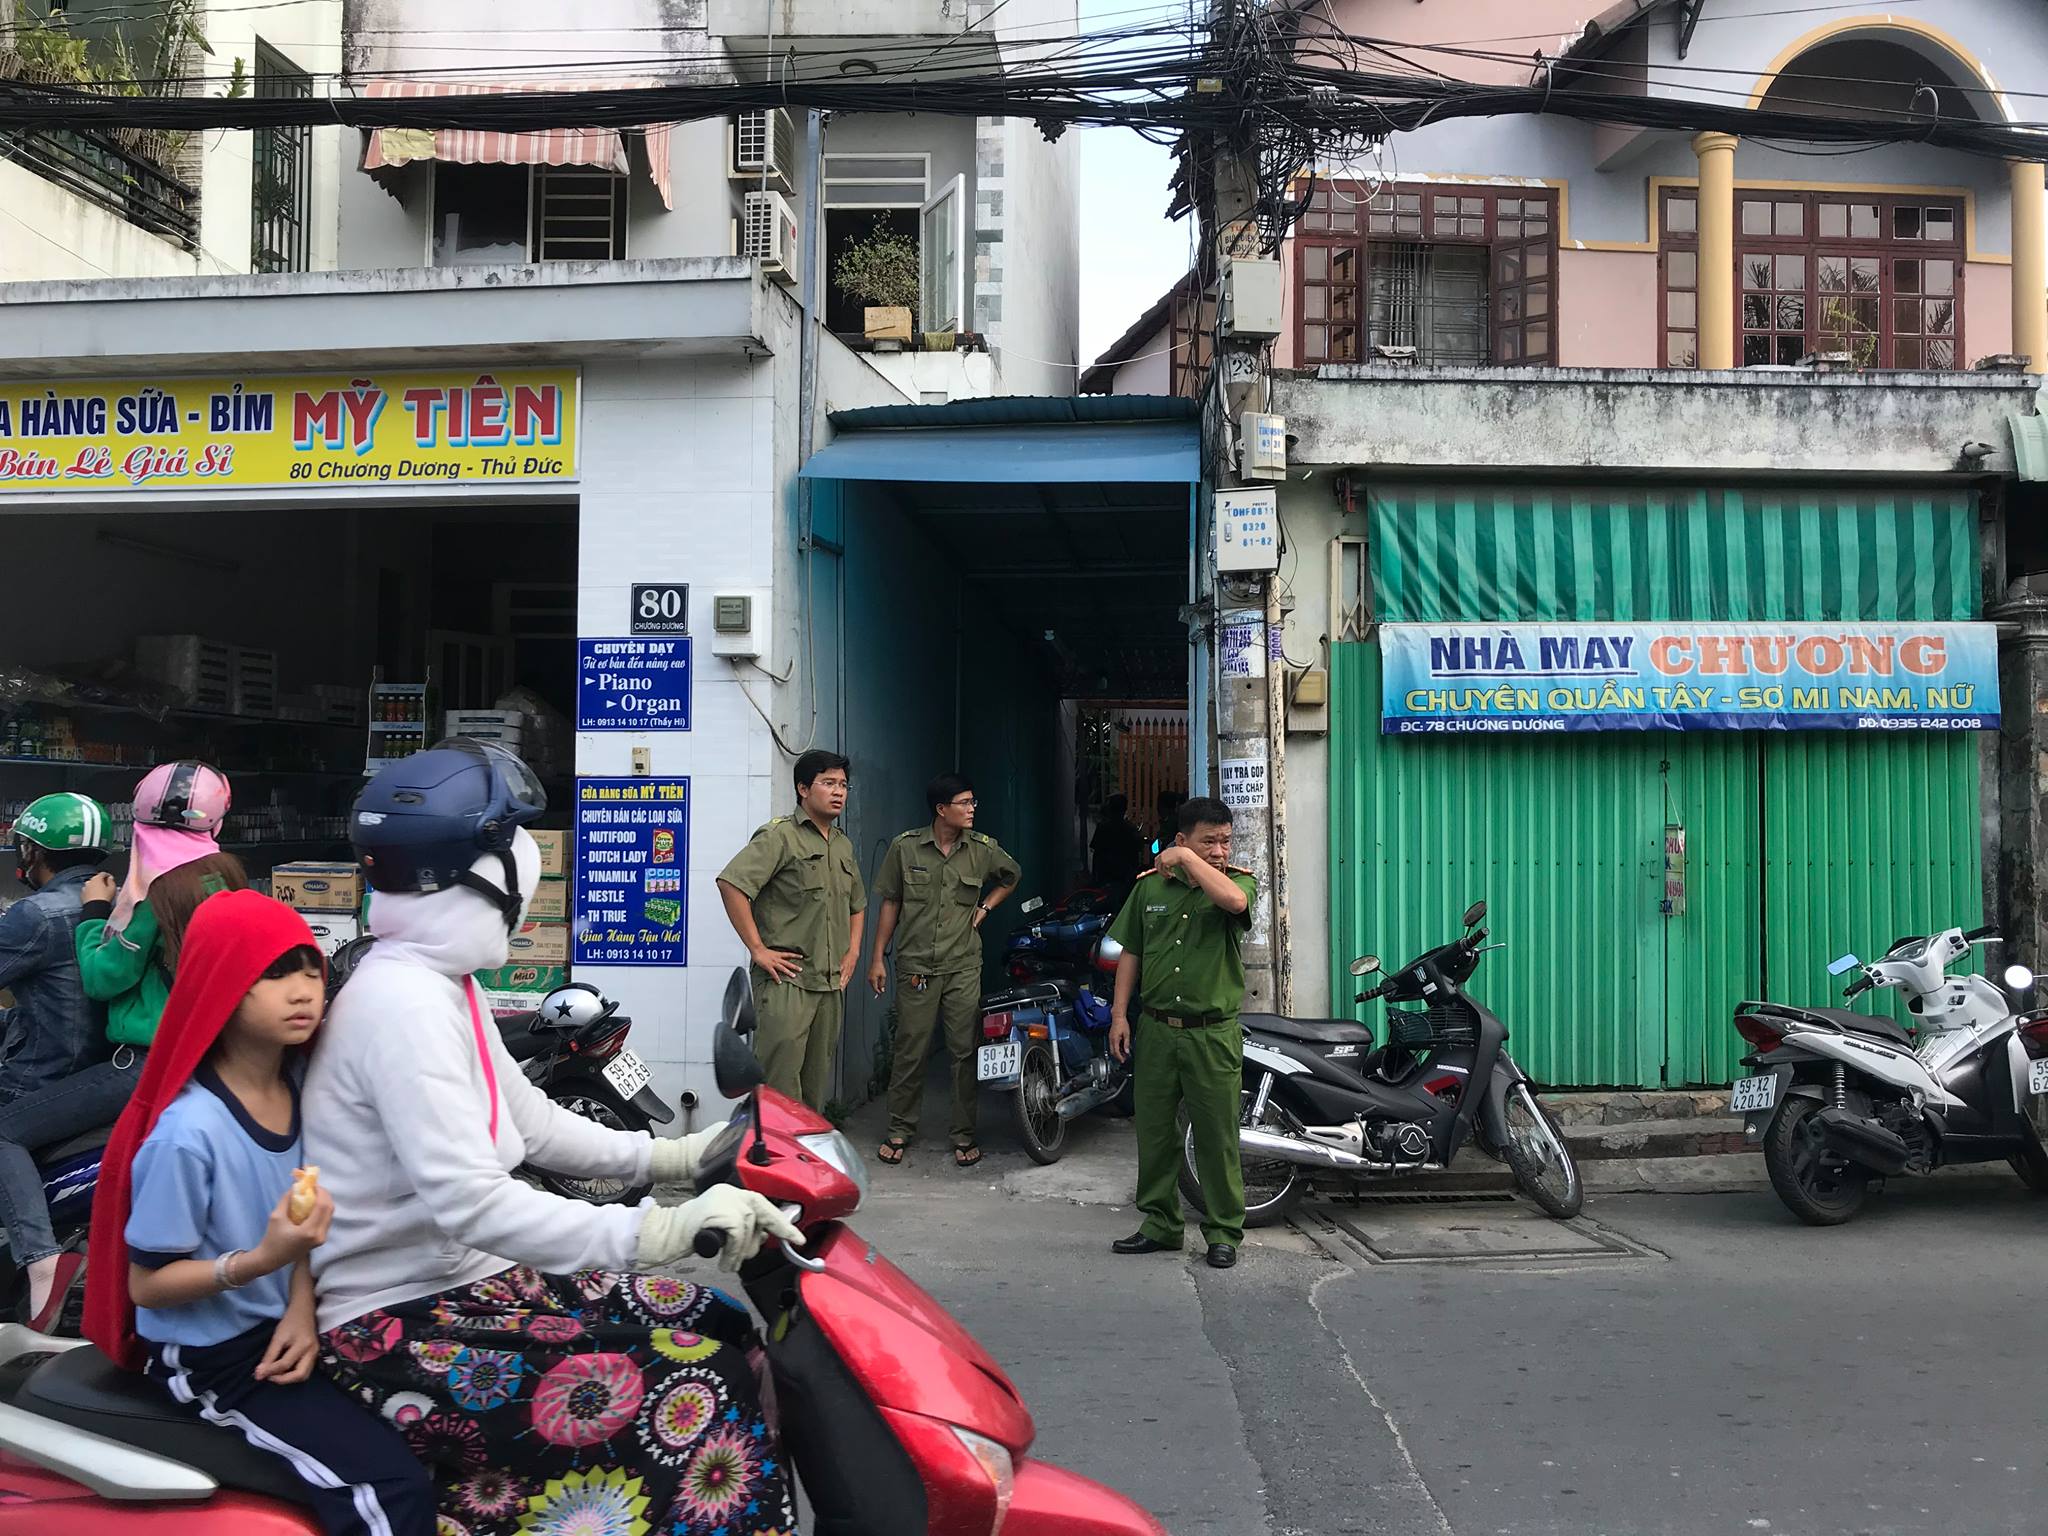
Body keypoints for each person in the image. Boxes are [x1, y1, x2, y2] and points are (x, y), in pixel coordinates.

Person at [306, 739, 801, 1535]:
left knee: (724, 1325)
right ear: (483, 874)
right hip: (401, 1324)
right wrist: (662, 1227)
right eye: (515, 849)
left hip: (475, 1287)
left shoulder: (443, 984)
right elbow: (474, 1202)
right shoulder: (398, 1006)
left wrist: (676, 1157)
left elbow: (532, 1124)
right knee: (697, 1387)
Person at [82, 890, 435, 1536]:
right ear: (220, 986)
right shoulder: (188, 1134)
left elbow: (299, 1222)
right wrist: (258, 1263)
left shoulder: (305, 1086)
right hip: (218, 1360)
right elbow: (148, 1285)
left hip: (291, 1323)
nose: (302, 989)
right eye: (274, 974)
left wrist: (297, 1299)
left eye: (309, 968)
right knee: (390, 1487)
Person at [0, 764, 247, 1332]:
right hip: (199, 1055)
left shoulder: (148, 892)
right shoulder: (223, 876)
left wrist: (94, 915)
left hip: (135, 1063)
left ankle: (41, 1264)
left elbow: (106, 979)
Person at [1105, 796, 1257, 1270]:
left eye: (1225, 840)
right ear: (1180, 838)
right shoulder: (1150, 891)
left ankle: (1223, 1231)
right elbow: (1131, 951)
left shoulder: (1237, 883)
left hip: (1211, 1035)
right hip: (1156, 1029)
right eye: (1207, 841)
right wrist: (1119, 1014)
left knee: (1215, 1136)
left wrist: (1189, 860)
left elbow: (1233, 903)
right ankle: (1160, 1225)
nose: (1219, 850)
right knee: (1154, 1133)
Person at [868, 773, 1021, 1169]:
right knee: (910, 1049)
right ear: (941, 809)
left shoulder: (983, 850)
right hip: (916, 964)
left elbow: (1012, 876)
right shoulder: (905, 848)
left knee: (964, 1051)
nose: (972, 809)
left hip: (963, 965)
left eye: (973, 802)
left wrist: (985, 908)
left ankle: (963, 1133)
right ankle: (900, 1128)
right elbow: (890, 903)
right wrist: (876, 957)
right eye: (964, 803)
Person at [716, 750, 866, 1110]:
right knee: (779, 1089)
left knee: (814, 1091)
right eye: (828, 783)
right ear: (803, 788)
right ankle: (774, 1162)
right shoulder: (780, 836)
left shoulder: (842, 844)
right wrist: (758, 949)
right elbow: (731, 884)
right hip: (788, 983)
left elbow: (857, 904)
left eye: (843, 785)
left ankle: (806, 1162)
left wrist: (854, 952)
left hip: (829, 986)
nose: (838, 792)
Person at [0, 794, 113, 1105]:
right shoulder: (118, 901)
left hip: (37, 1082)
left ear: (31, 851)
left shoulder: (35, 914)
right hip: (98, 1073)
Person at [1088, 793, 1144, 902]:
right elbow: (1138, 850)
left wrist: (1095, 877)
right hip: (1125, 875)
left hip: (1106, 875)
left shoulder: (1103, 827)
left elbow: (1096, 852)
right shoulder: (1130, 829)